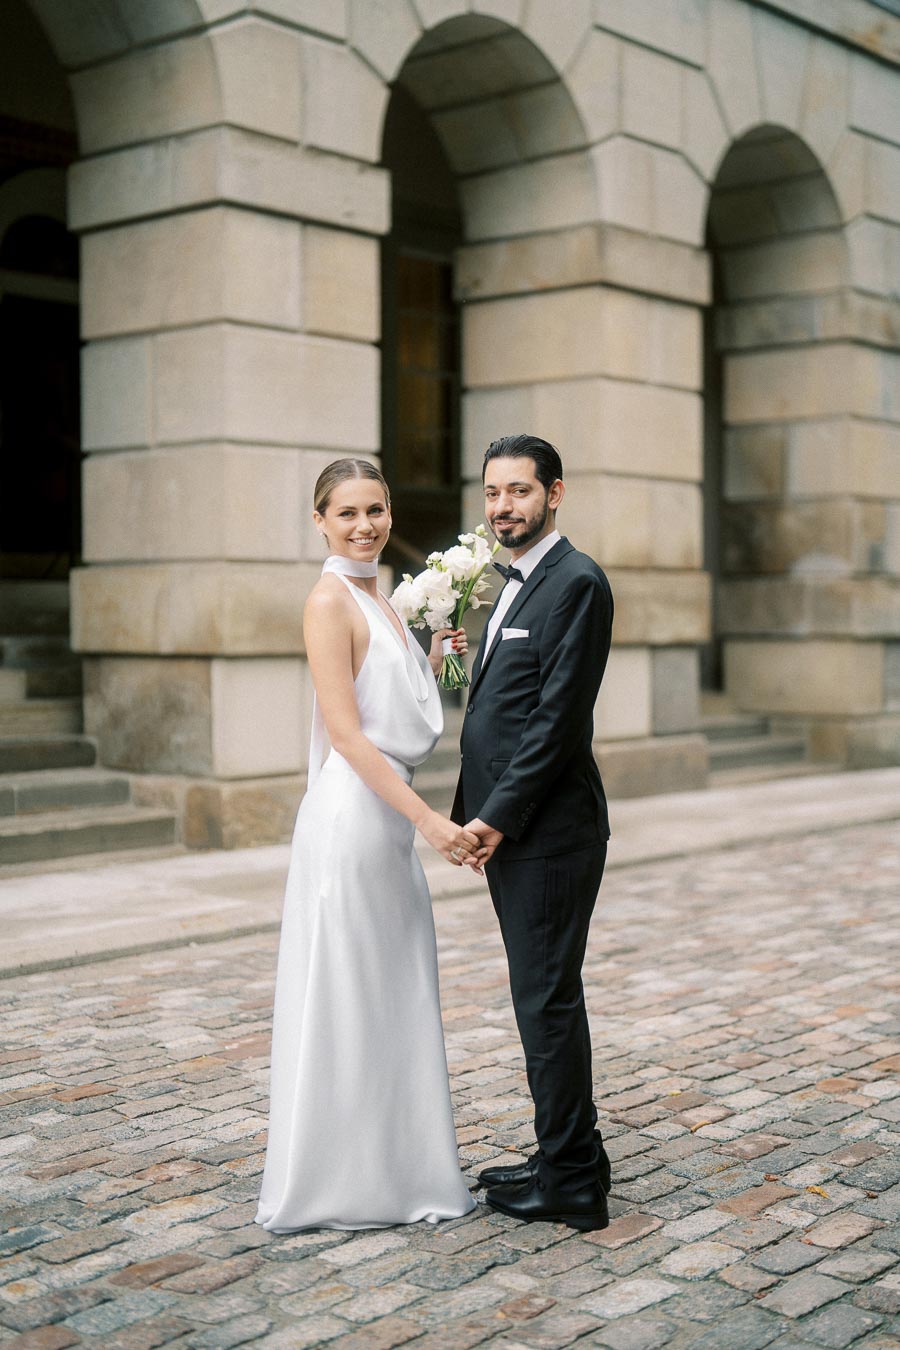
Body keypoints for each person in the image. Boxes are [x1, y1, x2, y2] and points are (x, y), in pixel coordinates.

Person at [256, 458, 479, 1232]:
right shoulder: (328, 601)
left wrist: (446, 652)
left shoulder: (378, 597)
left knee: (394, 994)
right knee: (352, 998)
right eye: (346, 513)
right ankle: (343, 1180)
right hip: (356, 822)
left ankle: (400, 1166)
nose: (364, 526)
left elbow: (415, 702)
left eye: (376, 510)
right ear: (319, 520)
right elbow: (349, 737)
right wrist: (428, 821)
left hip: (384, 824)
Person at [451, 434, 614, 1232]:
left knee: (544, 1001)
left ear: (555, 493)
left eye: (518, 491)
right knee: (545, 997)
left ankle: (573, 1183)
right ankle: (568, 1152)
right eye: (491, 493)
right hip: (522, 831)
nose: (502, 507)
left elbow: (556, 723)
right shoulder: (509, 581)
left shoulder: (576, 581)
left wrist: (493, 818)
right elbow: (501, 701)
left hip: (548, 832)